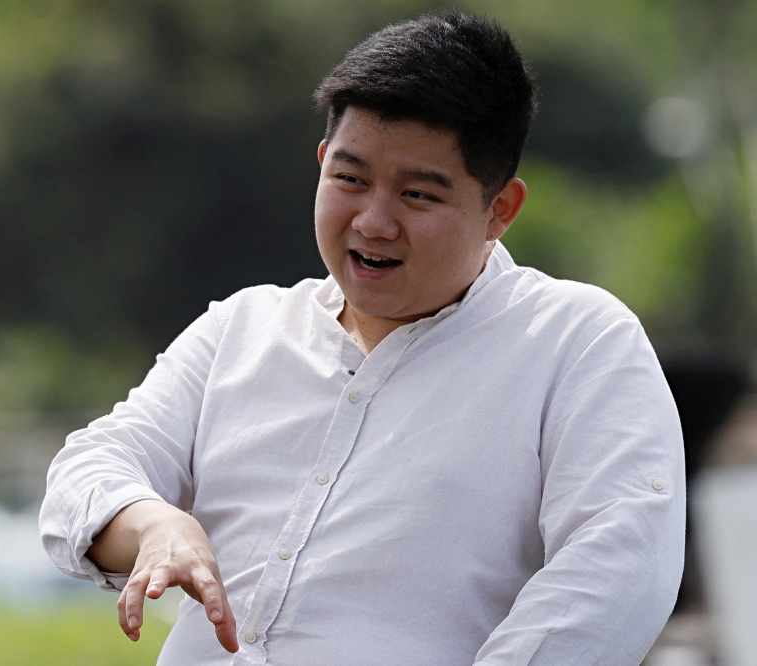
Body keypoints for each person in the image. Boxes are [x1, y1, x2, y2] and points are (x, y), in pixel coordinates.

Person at [40, 10, 685, 665]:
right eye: (350, 180)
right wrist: (154, 524)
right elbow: (85, 472)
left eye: (418, 196)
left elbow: (619, 563)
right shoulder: (241, 330)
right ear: (322, 163)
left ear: (501, 209)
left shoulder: (575, 343)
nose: (374, 222)